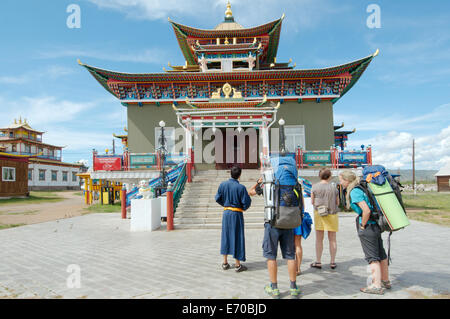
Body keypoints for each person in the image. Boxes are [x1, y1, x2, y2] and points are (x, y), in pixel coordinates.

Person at [249, 156, 301, 299]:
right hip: (289, 221)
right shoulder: (293, 181)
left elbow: (250, 192)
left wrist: (258, 182)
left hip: (272, 222)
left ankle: (274, 288)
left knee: (271, 256)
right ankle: (293, 287)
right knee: (290, 256)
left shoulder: (268, 181)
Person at [338, 170, 391, 295]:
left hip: (368, 227)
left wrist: (362, 225)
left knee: (372, 257)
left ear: (347, 180)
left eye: (341, 180)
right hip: (376, 225)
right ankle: (385, 280)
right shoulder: (362, 188)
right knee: (381, 254)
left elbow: (365, 211)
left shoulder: (355, 191)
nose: (340, 182)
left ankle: (376, 286)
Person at [215, 165, 252, 272]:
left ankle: (225, 262)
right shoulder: (241, 188)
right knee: (238, 237)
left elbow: (217, 198)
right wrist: (243, 207)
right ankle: (237, 264)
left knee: (225, 236)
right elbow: (246, 203)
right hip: (236, 214)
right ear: (239, 175)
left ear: (230, 173)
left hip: (226, 213)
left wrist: (225, 205)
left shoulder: (223, 184)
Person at [310, 168, 339, 270]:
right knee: (332, 239)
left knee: (319, 239)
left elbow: (312, 202)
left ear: (319, 175)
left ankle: (318, 261)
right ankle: (332, 262)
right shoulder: (334, 188)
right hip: (332, 214)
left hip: (319, 214)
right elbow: (337, 203)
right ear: (330, 176)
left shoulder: (314, 187)